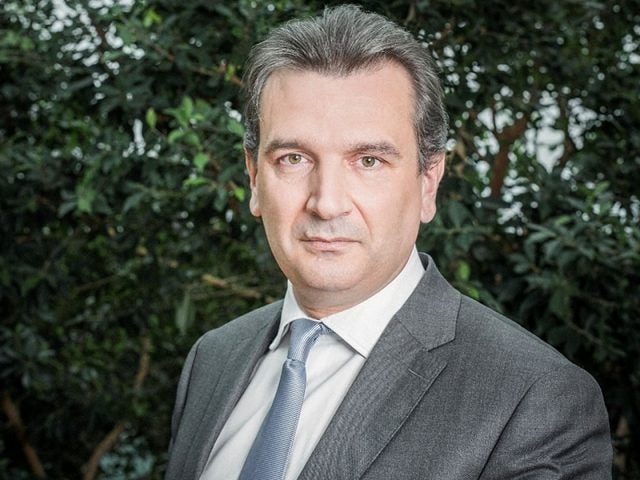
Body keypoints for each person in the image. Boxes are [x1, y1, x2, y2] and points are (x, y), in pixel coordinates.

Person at [165, 5, 612, 479]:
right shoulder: (212, 360)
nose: (327, 203)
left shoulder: (535, 400)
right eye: (294, 158)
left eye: (369, 161)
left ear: (428, 182)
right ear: (255, 178)